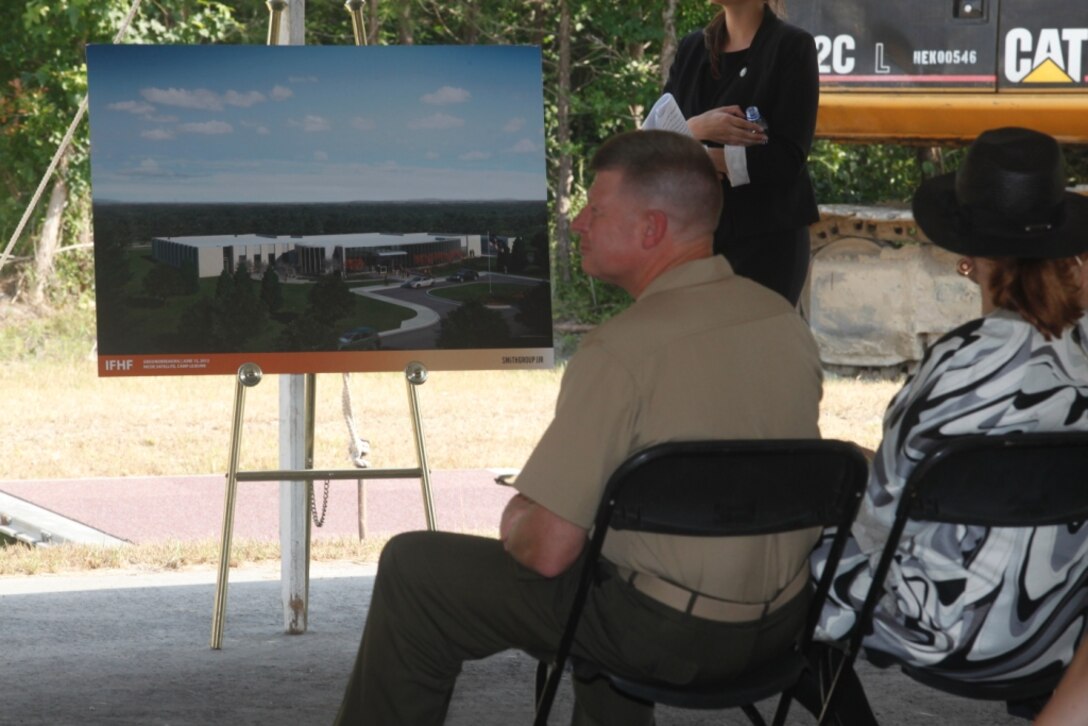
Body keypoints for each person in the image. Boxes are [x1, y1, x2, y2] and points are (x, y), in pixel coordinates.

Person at [332, 129, 823, 725]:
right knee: (610, 575)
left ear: (651, 230)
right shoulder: (783, 322)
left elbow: (545, 550)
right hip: (784, 628)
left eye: (596, 208)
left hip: (666, 636)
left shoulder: (622, 350)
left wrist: (518, 516)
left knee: (415, 570)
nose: (577, 223)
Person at [808, 127, 1088, 721]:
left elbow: (881, 520)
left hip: (939, 629)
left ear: (973, 256)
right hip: (1062, 629)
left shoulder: (960, 363)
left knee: (797, 552)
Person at [663, 0, 819, 306]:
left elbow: (788, 159)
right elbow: (654, 145)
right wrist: (696, 128)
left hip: (767, 240)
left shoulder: (792, 46)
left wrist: (708, 160)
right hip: (695, 239)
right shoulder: (692, 48)